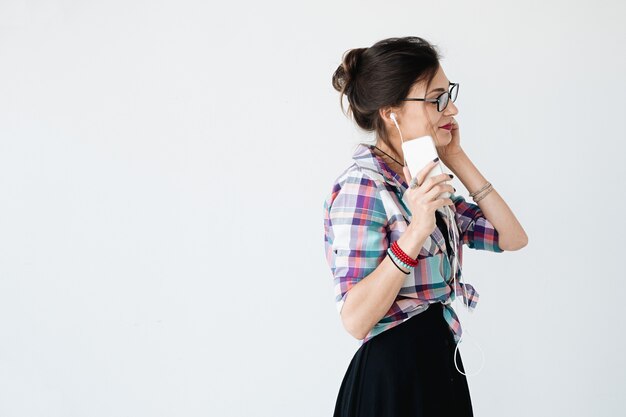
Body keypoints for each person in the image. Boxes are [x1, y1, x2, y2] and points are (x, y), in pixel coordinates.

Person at [323, 36, 528, 417]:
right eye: (436, 99)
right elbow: (355, 320)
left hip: (440, 366)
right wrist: (415, 231)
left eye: (448, 94)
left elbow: (513, 237)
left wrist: (456, 156)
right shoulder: (362, 186)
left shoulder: (425, 179)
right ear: (391, 113)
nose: (451, 107)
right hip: (393, 381)